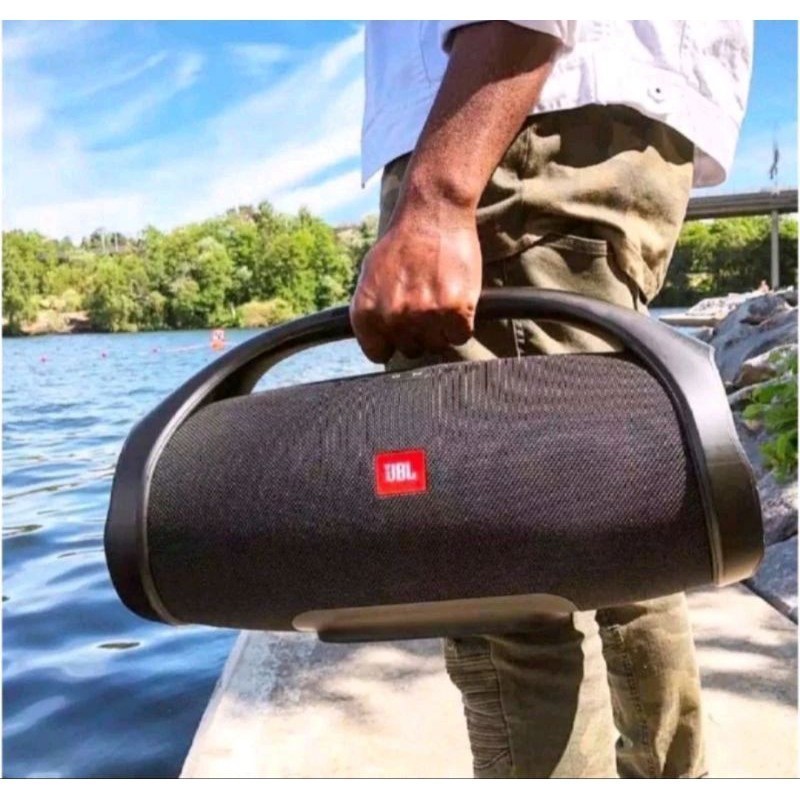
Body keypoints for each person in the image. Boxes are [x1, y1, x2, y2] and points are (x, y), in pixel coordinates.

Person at [350, 21, 753, 778]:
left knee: (504, 582)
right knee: (626, 533)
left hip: (513, 133)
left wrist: (439, 193)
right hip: (598, 139)